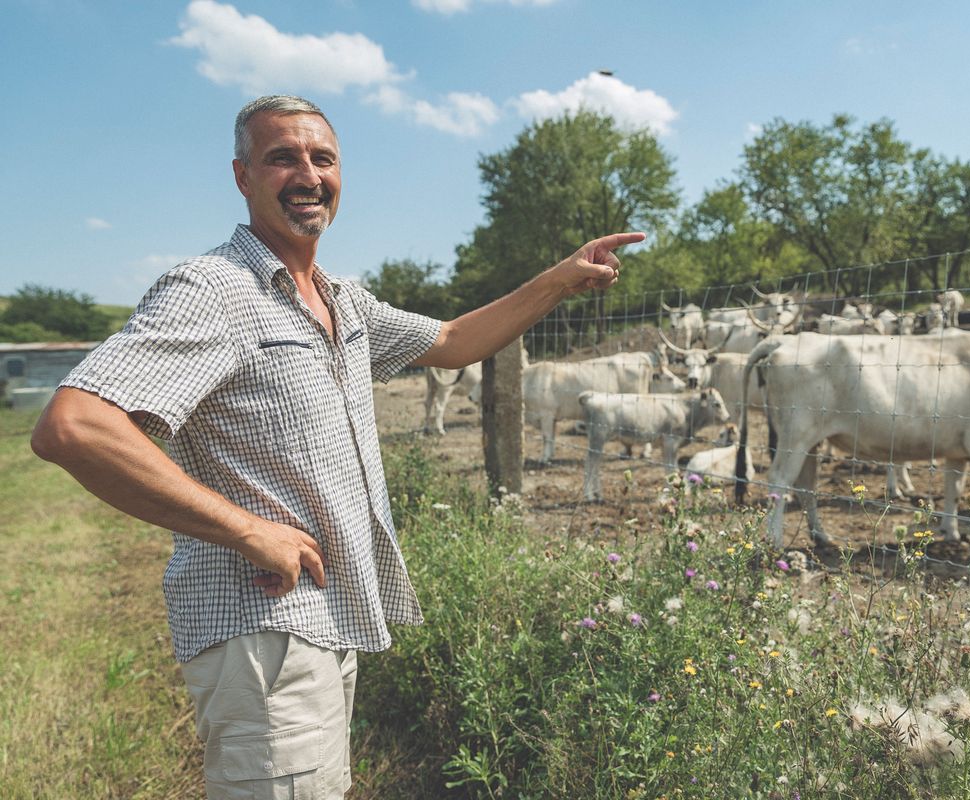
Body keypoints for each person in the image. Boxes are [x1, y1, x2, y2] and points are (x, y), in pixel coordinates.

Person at [30, 94, 643, 799]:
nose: (307, 173)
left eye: (322, 158)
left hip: (324, 619)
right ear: (242, 177)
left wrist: (560, 279)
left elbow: (449, 343)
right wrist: (248, 529)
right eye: (281, 157)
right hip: (262, 626)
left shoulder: (341, 301)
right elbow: (75, 426)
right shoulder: (213, 290)